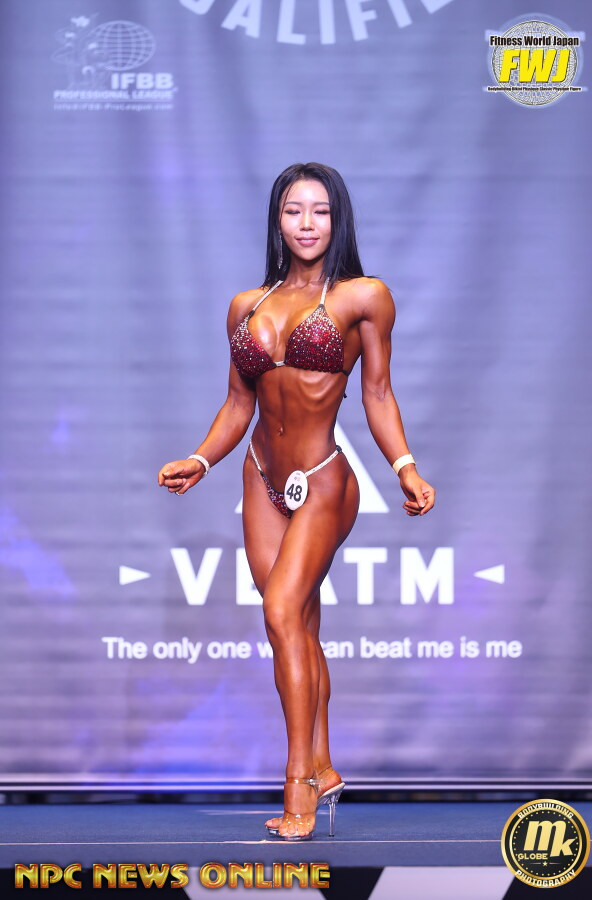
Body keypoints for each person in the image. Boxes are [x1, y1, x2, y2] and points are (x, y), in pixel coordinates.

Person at [157, 162, 435, 841]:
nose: (307, 224)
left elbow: (376, 393)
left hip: (323, 479)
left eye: (319, 211)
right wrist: (201, 458)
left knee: (281, 611)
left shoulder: (364, 297)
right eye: (293, 210)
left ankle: (300, 783)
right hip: (258, 475)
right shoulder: (245, 306)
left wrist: (404, 466)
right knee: (296, 628)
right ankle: (326, 764)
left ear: (337, 219)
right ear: (277, 220)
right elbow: (238, 403)